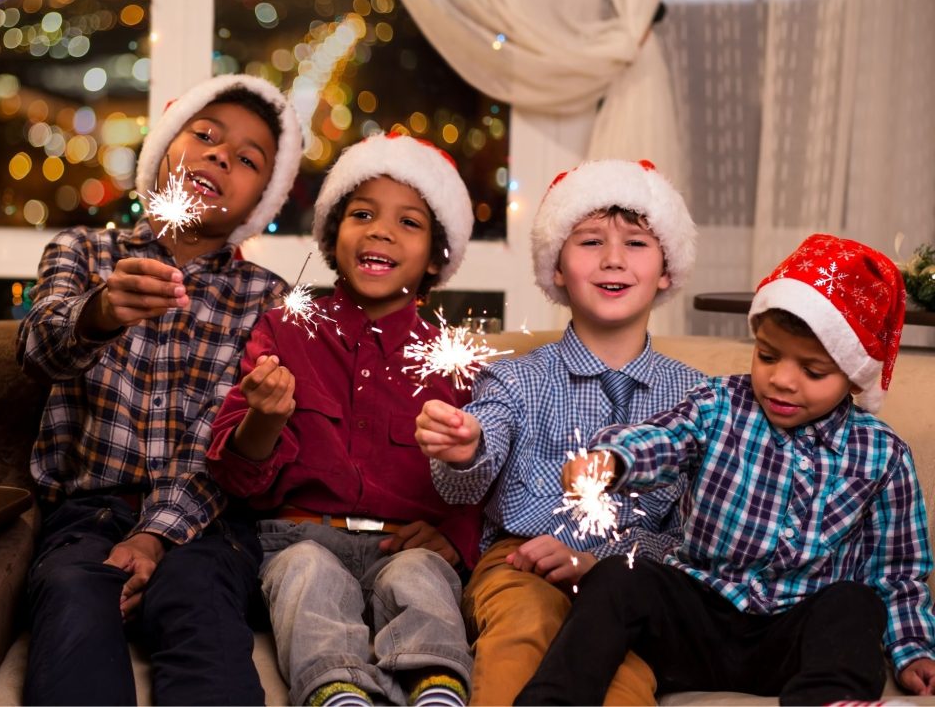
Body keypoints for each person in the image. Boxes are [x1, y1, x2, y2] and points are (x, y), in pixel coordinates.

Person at [518, 233, 935, 705]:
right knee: (620, 576)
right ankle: (553, 699)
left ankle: (828, 700)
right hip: (697, 616)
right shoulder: (720, 404)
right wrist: (611, 461)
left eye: (813, 372)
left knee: (856, 603)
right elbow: (665, 439)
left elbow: (897, 572)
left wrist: (913, 650)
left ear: (854, 378)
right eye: (768, 355)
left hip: (790, 638)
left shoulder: (882, 454)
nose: (781, 380)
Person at [16, 73, 303, 705]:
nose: (222, 154)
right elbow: (36, 351)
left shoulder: (267, 298)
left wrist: (155, 535)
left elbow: (222, 434)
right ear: (164, 152)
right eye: (205, 135)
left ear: (259, 202)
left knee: (198, 601)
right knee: (71, 592)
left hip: (209, 523)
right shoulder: (85, 251)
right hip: (87, 512)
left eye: (249, 159)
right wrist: (99, 313)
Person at [206, 132, 481, 707]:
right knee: (307, 573)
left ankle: (436, 687)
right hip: (297, 536)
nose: (381, 230)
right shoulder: (285, 329)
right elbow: (235, 476)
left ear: (436, 256)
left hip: (404, 547)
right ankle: (337, 692)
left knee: (420, 579)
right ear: (335, 234)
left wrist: (454, 539)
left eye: (409, 222)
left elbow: (485, 472)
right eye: (362, 214)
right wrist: (264, 418)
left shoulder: (455, 362)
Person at [415, 159, 703, 705]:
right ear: (556, 269)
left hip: (632, 585)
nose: (613, 259)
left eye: (637, 244)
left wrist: (606, 565)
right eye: (590, 241)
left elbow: (699, 536)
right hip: (519, 566)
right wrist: (465, 448)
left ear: (667, 269)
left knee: (626, 678)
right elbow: (464, 486)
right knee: (525, 625)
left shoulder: (700, 401)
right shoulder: (515, 377)